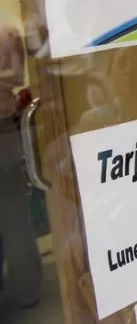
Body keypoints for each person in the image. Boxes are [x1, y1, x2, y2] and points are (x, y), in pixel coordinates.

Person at [0, 22, 42, 310]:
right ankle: (25, 288)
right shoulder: (9, 29)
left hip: (3, 128)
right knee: (14, 217)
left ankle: (24, 288)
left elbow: (16, 75)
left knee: (14, 217)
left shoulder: (8, 30)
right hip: (5, 129)